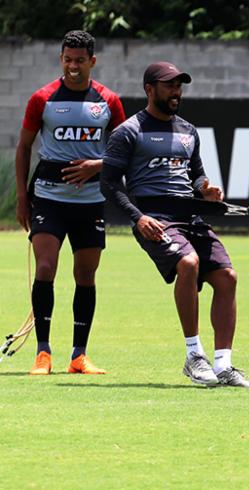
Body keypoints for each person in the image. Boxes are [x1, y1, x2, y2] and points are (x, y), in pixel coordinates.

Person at [100, 61, 249, 389]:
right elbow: (110, 183)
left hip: (190, 216)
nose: (177, 92)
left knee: (227, 277)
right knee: (188, 264)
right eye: (169, 85)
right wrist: (138, 218)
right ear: (150, 89)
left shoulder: (188, 130)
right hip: (154, 219)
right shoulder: (129, 131)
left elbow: (196, 173)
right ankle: (193, 357)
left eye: (179, 86)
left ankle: (224, 365)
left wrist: (206, 188)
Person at [15, 30, 125, 375]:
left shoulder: (108, 101)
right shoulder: (42, 99)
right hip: (48, 198)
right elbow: (24, 147)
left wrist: (98, 165)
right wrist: (22, 197)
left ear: (92, 61)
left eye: (80, 60)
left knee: (85, 275)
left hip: (91, 202)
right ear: (60, 59)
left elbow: (125, 151)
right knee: (46, 268)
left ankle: (79, 355)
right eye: (67, 59)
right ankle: (43, 353)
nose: (73, 66)